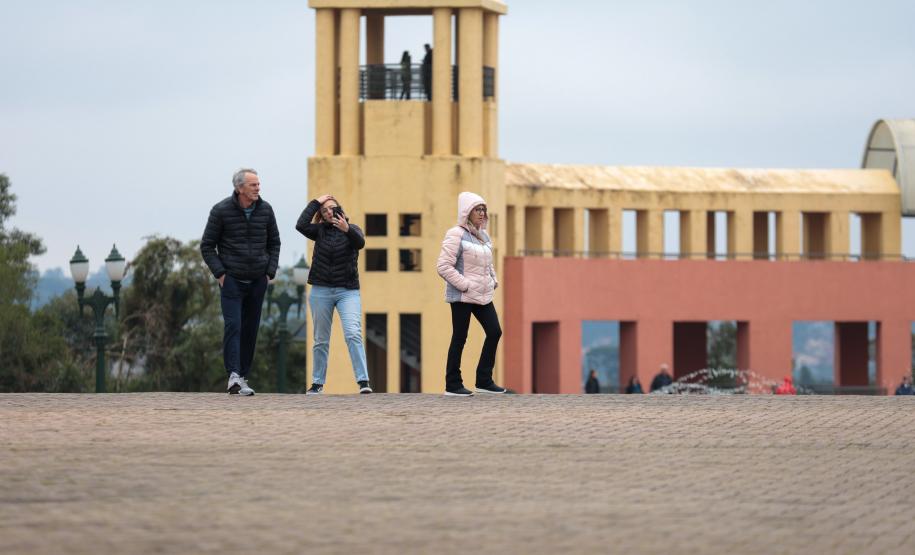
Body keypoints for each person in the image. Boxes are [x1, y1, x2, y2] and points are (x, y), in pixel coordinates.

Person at [201, 168, 280, 396]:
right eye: (253, 185)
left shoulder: (266, 210)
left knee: (250, 329)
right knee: (233, 325)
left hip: (258, 280)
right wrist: (221, 274)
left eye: (258, 184)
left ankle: (242, 376)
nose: (258, 188)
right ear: (240, 188)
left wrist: (269, 273)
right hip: (232, 280)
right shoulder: (221, 210)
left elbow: (274, 243)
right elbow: (207, 246)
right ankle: (233, 375)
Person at [296, 194, 372, 394]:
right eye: (324, 211)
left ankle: (363, 381)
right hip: (321, 290)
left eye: (332, 208)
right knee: (320, 339)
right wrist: (315, 202)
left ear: (340, 209)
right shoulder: (320, 231)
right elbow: (301, 225)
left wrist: (346, 229)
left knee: (353, 333)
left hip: (347, 291)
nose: (329, 212)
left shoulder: (353, 229)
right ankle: (317, 383)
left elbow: (360, 243)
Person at [436, 191, 506, 396]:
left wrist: (493, 279)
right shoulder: (455, 234)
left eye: (484, 209)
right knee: (460, 337)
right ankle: (453, 385)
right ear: (467, 212)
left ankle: (484, 380)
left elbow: (487, 263)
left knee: (494, 332)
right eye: (478, 209)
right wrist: (464, 285)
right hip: (462, 295)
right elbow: (443, 266)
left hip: (483, 295)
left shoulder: (483, 236)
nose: (482, 213)